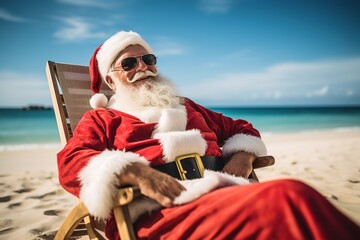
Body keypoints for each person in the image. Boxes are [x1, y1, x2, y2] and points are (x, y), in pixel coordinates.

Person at [57, 31, 360, 240]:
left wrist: (243, 155)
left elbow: (243, 129)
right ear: (110, 80)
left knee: (294, 203)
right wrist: (133, 171)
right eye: (129, 63)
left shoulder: (187, 106)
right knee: (291, 197)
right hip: (162, 213)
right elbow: (71, 162)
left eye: (148, 59)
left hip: (223, 195)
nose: (144, 68)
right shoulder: (103, 118)